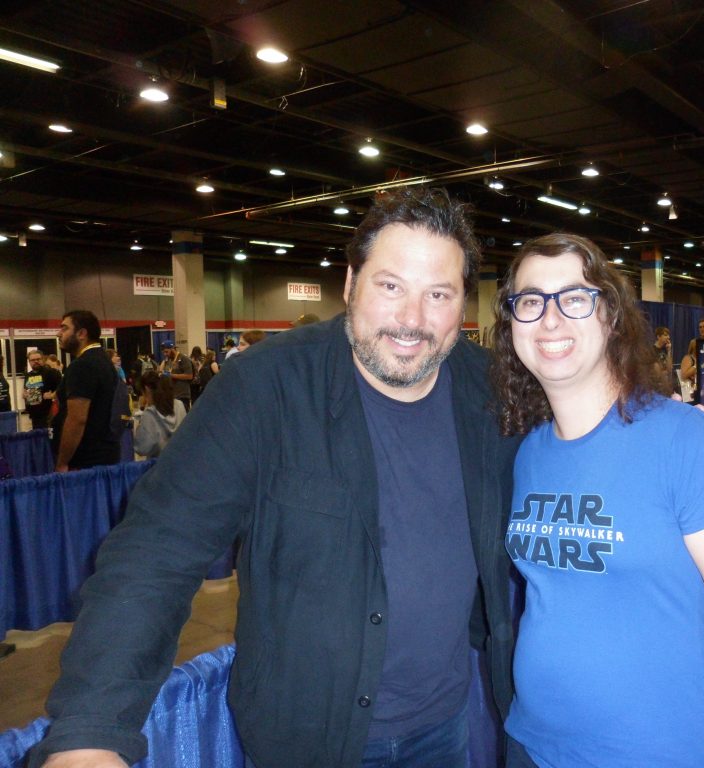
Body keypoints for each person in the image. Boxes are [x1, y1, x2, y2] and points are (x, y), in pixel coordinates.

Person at [30, 188, 520, 768]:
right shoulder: (264, 388)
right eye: (390, 286)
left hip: (444, 725)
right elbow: (157, 550)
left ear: (463, 302)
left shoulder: (489, 394)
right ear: (350, 284)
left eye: (437, 294)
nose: (412, 319)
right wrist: (92, 729)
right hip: (304, 737)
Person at [491, 233, 704, 768]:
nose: (550, 319)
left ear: (611, 316)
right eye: (530, 301)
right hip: (531, 744)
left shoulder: (684, 440)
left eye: (575, 298)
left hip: (654, 750)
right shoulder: (529, 453)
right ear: (512, 326)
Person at [50, 310, 120, 471]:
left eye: (64, 328)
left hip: (85, 463)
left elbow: (76, 419)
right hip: (104, 456)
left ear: (81, 333)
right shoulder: (103, 360)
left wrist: (62, 462)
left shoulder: (82, 365)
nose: (58, 333)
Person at [132, 370, 186, 458]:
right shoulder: (179, 405)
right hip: (179, 461)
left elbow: (142, 448)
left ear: (147, 389)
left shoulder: (149, 414)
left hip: (158, 465)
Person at [25, 349, 62, 430]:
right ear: (29, 362)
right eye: (33, 360)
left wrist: (52, 395)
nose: (36, 361)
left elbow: (63, 388)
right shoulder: (28, 375)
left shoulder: (52, 372)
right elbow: (26, 389)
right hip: (34, 414)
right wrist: (24, 394)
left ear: (42, 359)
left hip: (49, 414)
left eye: (38, 359)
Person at [157, 341, 194, 411]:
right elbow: (160, 371)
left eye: (166, 352)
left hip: (182, 395)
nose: (165, 354)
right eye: (164, 352)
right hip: (172, 395)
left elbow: (189, 376)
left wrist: (171, 375)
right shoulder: (168, 360)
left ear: (172, 349)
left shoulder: (183, 359)